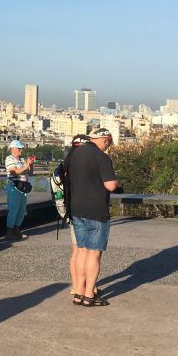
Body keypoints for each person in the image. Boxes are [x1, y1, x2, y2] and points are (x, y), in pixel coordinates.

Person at [69, 127, 119, 307]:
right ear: (105, 139)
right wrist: (117, 181)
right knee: (94, 253)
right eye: (109, 144)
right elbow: (111, 185)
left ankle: (78, 292)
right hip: (96, 210)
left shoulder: (76, 154)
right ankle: (90, 295)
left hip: (76, 207)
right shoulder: (102, 157)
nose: (108, 147)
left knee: (81, 250)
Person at [55, 133, 91, 301]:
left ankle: (75, 285)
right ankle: (84, 287)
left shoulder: (65, 164)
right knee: (85, 251)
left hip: (69, 211)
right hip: (84, 210)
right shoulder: (84, 164)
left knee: (76, 251)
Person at [4, 139, 35, 239]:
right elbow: (14, 172)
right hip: (14, 187)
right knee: (13, 210)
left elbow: (30, 173)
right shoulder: (9, 159)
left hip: (23, 188)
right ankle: (9, 232)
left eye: (21, 148)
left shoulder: (21, 160)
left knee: (22, 211)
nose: (21, 151)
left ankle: (16, 230)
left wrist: (30, 164)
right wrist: (26, 166)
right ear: (13, 149)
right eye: (19, 148)